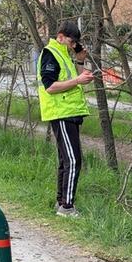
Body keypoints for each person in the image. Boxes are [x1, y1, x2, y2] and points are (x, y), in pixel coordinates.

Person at [37, 20, 94, 216]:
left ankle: (61, 202)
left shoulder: (64, 55)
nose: (73, 45)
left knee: (66, 160)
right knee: (73, 159)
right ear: (60, 36)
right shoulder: (50, 54)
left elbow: (77, 81)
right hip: (60, 112)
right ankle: (67, 207)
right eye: (71, 41)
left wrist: (79, 60)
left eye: (74, 43)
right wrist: (78, 80)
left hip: (69, 112)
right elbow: (50, 86)